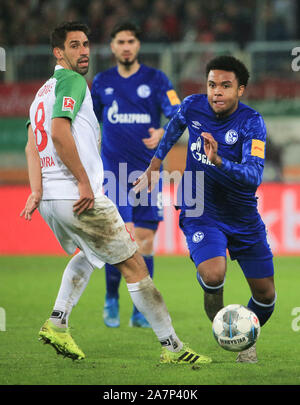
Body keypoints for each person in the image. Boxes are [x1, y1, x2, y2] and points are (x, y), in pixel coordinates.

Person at [20, 21, 211, 365]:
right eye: (74, 45)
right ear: (58, 52)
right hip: (79, 194)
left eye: (85, 44)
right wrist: (81, 181)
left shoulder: (41, 93)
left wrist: (36, 190)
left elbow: (32, 144)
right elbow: (59, 131)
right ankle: (173, 349)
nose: (83, 51)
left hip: (51, 199)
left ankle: (58, 321)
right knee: (136, 267)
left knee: (90, 255)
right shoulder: (74, 81)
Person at [134, 55, 277, 363]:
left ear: (241, 90)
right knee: (213, 274)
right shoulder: (192, 106)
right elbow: (173, 127)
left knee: (266, 297)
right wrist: (155, 163)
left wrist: (219, 161)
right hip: (200, 207)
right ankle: (224, 321)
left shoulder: (252, 123)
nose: (216, 92)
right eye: (212, 84)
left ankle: (244, 335)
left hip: (242, 216)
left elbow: (253, 176)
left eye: (226, 86)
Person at [91, 22, 181, 328]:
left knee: (145, 242)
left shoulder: (156, 79)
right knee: (121, 240)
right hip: (113, 174)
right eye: (120, 41)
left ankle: (140, 310)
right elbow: (87, 123)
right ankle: (112, 298)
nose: (126, 46)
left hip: (149, 173)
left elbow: (178, 115)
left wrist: (163, 131)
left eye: (131, 40)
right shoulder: (102, 82)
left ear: (138, 45)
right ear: (113, 46)